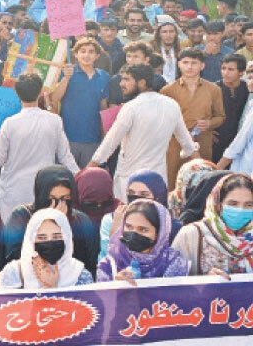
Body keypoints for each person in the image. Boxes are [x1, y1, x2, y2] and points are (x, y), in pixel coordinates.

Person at [0, 73, 79, 222]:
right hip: (44, 190)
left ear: (16, 93)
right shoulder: (54, 121)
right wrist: (80, 178)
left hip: (13, 192)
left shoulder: (10, 123)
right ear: (40, 92)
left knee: (13, 238)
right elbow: (66, 157)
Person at [89, 64, 198, 199]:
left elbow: (110, 143)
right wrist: (203, 169)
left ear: (142, 83)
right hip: (157, 181)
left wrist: (87, 172)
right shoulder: (172, 105)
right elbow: (188, 144)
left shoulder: (131, 108)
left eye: (127, 79)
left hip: (130, 182)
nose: (121, 84)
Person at [3, 165, 99, 273]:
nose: (58, 204)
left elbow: (91, 262)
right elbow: (15, 258)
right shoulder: (21, 216)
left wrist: (64, 225)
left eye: (65, 198)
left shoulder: (81, 220)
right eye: (51, 198)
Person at [161, 48, 225, 188]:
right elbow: (163, 120)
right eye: (185, 62)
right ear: (179, 64)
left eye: (194, 63)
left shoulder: (214, 89)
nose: (189, 67)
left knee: (201, 181)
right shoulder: (168, 90)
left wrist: (209, 123)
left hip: (202, 141)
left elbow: (220, 116)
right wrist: (180, 132)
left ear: (202, 65)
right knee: (173, 181)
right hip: (175, 143)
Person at [172, 173, 253, 276]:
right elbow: (173, 279)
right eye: (233, 204)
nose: (241, 210)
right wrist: (204, 281)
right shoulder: (191, 234)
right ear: (217, 204)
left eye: (249, 205)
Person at [98, 169, 182, 262]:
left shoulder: (173, 226)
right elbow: (106, 262)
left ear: (159, 196)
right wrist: (116, 234)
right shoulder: (112, 219)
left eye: (143, 194)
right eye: (131, 193)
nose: (136, 198)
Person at [97, 199, 188, 284]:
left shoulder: (172, 263)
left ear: (159, 233)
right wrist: (115, 288)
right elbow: (101, 299)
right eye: (129, 227)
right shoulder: (110, 264)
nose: (134, 233)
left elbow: (177, 298)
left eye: (143, 229)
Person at [0, 208, 94, 288]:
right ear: (31, 240)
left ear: (67, 238)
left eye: (57, 237)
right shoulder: (14, 273)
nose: (49, 242)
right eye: (41, 237)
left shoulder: (79, 275)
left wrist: (52, 288)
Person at [51, 37, 110, 168]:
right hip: (68, 138)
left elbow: (103, 107)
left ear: (97, 56)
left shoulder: (104, 76)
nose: (86, 55)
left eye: (91, 52)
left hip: (93, 139)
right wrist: (66, 78)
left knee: (88, 180)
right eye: (82, 51)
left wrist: (104, 136)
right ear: (76, 54)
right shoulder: (67, 72)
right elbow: (54, 98)